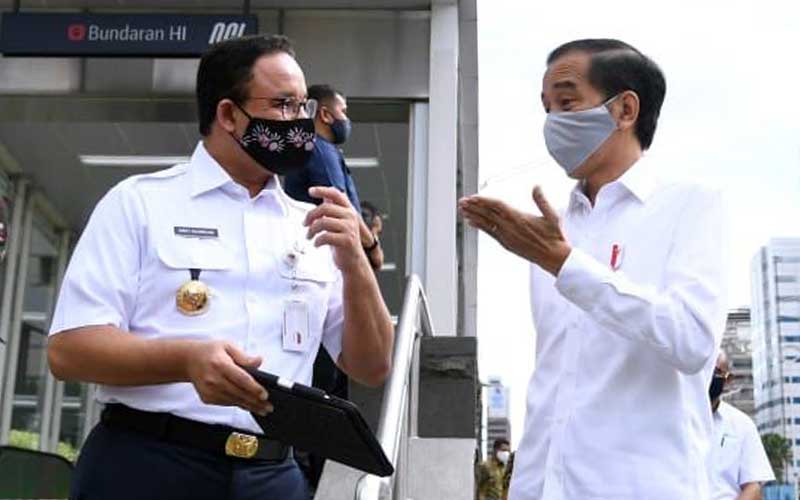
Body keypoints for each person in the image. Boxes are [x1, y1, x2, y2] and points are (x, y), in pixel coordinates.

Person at [46, 35, 394, 500]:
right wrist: (186, 360)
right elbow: (70, 350)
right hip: (146, 466)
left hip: (273, 476)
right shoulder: (140, 204)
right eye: (284, 105)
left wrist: (355, 265)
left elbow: (371, 366)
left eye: (303, 106)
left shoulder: (312, 225)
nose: (300, 121)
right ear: (228, 115)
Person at [459, 39, 727, 499]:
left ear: (625, 109)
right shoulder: (556, 228)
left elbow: (693, 340)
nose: (553, 123)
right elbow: (552, 381)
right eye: (546, 108)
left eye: (566, 102)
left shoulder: (689, 204)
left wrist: (566, 264)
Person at [283, 84, 383, 272]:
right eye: (343, 112)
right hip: (321, 257)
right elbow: (339, 206)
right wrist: (372, 246)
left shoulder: (316, 148)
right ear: (326, 115)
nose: (346, 120)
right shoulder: (320, 150)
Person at [709, 352, 774, 500]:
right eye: (707, 371)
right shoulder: (673, 419)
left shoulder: (741, 424)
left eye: (717, 372)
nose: (710, 377)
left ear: (728, 380)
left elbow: (754, 486)